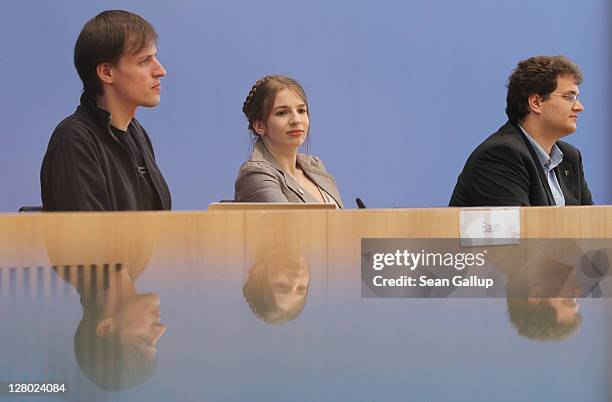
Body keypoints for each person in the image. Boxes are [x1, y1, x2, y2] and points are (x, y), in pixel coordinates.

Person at [40, 10, 171, 211]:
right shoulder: (74, 140)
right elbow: (89, 237)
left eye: (155, 57)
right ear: (106, 72)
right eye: (144, 61)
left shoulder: (137, 134)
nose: (160, 70)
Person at [449, 55, 592, 207]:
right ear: (536, 103)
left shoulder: (570, 157)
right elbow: (519, 229)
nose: (579, 107)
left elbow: (591, 224)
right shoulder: (501, 155)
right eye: (569, 97)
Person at [234, 75, 343, 207]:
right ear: (259, 126)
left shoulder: (315, 165)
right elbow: (292, 225)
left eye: (301, 110)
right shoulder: (254, 175)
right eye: (282, 113)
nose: (296, 120)